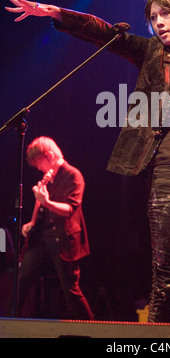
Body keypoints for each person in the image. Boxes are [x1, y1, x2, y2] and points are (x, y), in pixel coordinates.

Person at [5, 0, 170, 337]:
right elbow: (106, 33)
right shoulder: (153, 54)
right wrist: (59, 14)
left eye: (165, 14)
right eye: (153, 17)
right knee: (168, 279)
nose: (158, 23)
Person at [16, 136, 93, 320]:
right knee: (20, 279)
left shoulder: (73, 175)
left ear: (49, 155)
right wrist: (32, 223)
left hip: (63, 239)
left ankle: (92, 328)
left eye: (39, 163)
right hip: (42, 239)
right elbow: (40, 202)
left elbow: (70, 210)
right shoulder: (48, 176)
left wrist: (47, 202)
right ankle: (7, 324)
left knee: (70, 290)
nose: (38, 167)